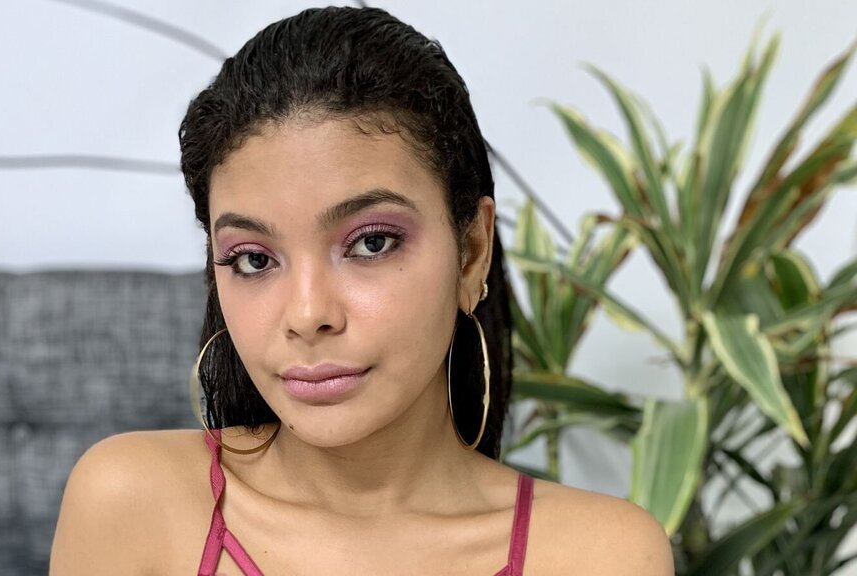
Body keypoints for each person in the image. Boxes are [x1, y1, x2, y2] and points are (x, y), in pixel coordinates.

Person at [50, 6, 674, 575]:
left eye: (371, 243)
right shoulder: (129, 502)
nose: (307, 314)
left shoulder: (604, 555)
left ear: (471, 253)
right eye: (253, 259)